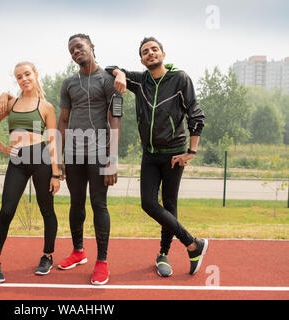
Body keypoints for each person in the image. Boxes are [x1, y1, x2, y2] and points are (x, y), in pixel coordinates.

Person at [106, 37, 208, 277]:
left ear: (163, 54)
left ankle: (164, 254)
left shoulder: (180, 79)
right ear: (142, 60)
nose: (150, 53)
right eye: (145, 51)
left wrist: (191, 152)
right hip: (150, 154)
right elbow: (107, 69)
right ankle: (193, 244)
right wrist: (120, 73)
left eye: (154, 49)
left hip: (174, 155)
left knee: (170, 205)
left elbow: (196, 115)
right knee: (148, 203)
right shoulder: (140, 81)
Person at [57, 34, 122, 285]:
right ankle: (78, 252)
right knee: (76, 204)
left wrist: (112, 159)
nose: (76, 52)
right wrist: (59, 156)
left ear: (91, 47)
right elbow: (63, 120)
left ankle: (102, 261)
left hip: (99, 152)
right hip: (73, 153)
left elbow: (115, 119)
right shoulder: (68, 83)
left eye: (79, 47)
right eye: (71, 50)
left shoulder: (109, 80)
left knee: (99, 204)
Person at [0, 61, 60, 284]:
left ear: (36, 75)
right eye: (19, 76)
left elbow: (53, 140)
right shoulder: (10, 104)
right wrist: (2, 147)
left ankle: (47, 255)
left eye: (27, 74)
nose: (24, 79)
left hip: (41, 159)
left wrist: (56, 174)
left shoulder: (46, 107)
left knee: (46, 209)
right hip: (17, 160)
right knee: (7, 210)